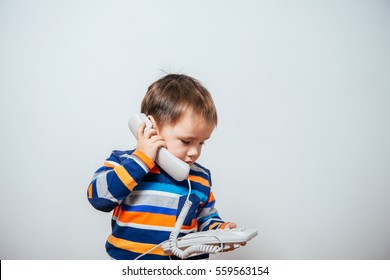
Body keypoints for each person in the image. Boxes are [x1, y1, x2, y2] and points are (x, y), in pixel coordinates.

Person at [87, 74, 236, 260]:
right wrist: (140, 160)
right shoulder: (124, 162)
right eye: (186, 141)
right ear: (151, 128)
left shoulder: (199, 176)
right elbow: (97, 197)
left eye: (201, 143)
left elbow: (205, 219)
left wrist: (221, 232)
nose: (194, 152)